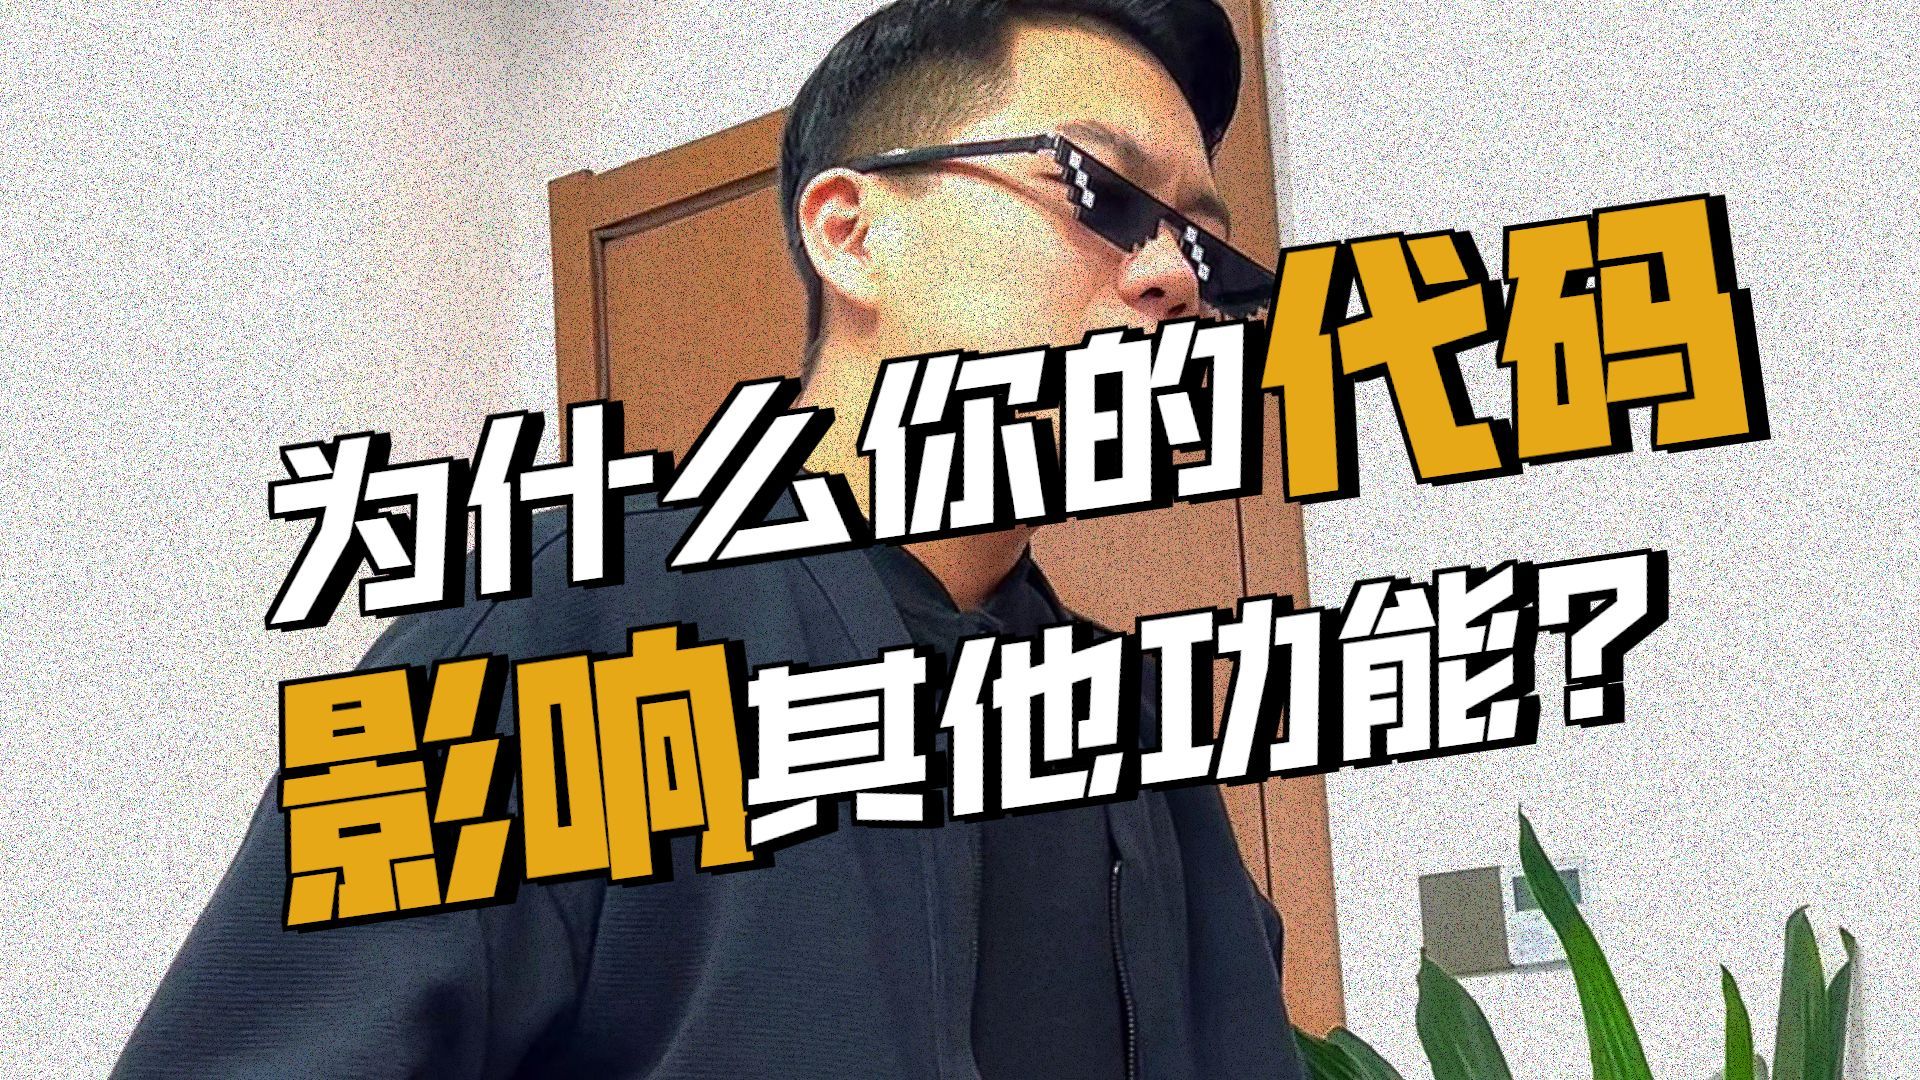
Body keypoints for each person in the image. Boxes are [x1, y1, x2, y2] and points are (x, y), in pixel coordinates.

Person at [113, 1, 1308, 1077]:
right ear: (852, 233)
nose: (1172, 279)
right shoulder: (552, 630)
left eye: (1209, 252)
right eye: (1102, 191)